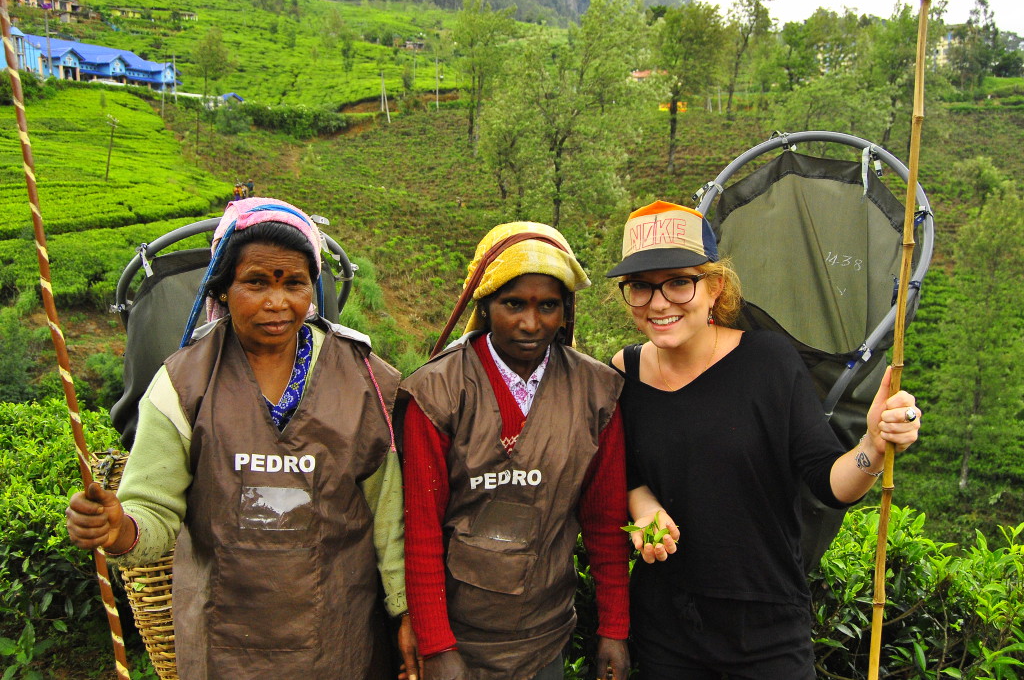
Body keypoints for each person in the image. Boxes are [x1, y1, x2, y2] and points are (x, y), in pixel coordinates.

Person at [66, 197, 417, 679]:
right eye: (256, 282)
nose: (277, 302)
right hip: (226, 645)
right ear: (223, 287)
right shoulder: (182, 384)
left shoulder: (363, 378)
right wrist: (118, 529)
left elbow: (391, 513)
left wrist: (404, 612)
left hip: (340, 639)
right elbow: (152, 510)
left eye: (294, 283)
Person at [605, 200, 922, 679]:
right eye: (641, 288)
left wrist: (873, 447)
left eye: (678, 282)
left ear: (715, 288)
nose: (659, 302)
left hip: (766, 631)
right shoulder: (623, 372)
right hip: (666, 630)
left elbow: (827, 481)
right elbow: (624, 471)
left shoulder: (768, 363)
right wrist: (643, 506)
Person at [400, 222, 631, 680]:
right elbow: (421, 528)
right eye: (512, 305)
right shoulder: (438, 391)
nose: (531, 323)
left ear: (566, 311)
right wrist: (437, 645)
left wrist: (614, 630)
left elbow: (605, 523)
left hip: (544, 636)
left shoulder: (596, 392)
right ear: (483, 306)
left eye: (548, 306)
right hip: (460, 640)